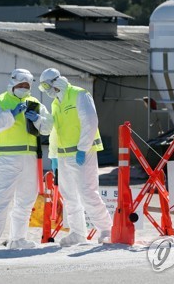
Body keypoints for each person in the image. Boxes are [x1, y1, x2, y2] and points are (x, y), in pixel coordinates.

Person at [0, 68, 53, 251]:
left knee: (26, 200)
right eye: (20, 84)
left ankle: (18, 239)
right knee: (0, 199)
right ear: (12, 83)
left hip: (30, 158)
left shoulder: (35, 103)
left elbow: (48, 127)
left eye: (26, 85)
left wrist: (38, 119)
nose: (23, 88)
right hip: (8, 157)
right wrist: (11, 114)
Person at [38, 68, 112, 246]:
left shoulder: (79, 94)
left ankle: (107, 229)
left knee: (87, 192)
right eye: (44, 87)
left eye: (48, 86)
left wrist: (82, 148)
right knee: (69, 195)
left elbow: (90, 121)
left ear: (57, 81)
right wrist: (54, 155)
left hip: (82, 153)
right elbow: (56, 131)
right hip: (63, 156)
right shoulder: (56, 103)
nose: (48, 91)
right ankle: (78, 233)